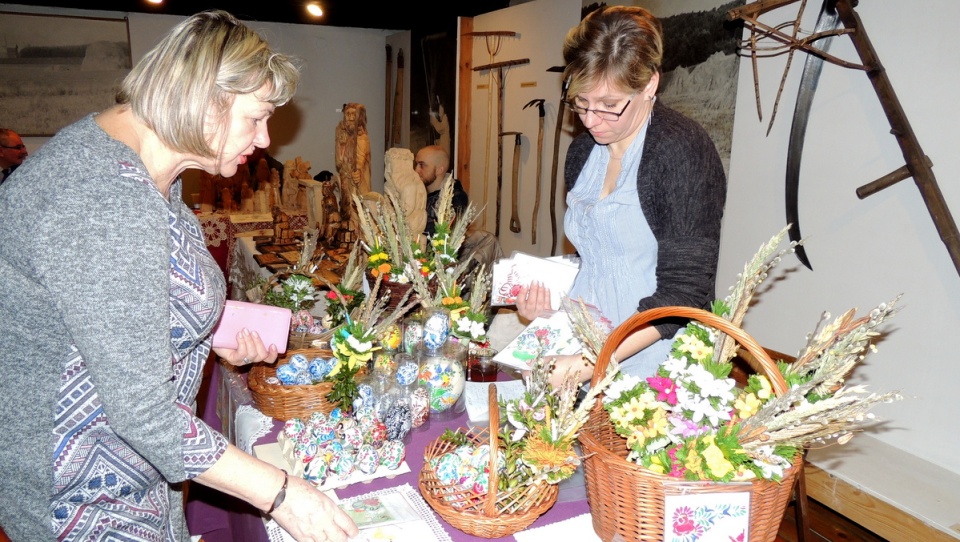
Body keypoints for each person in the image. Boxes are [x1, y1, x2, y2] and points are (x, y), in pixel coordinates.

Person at [0, 11, 358, 542]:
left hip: (136, 474)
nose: (263, 139)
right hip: (82, 495)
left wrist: (209, 334)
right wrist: (281, 494)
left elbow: (112, 307)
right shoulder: (102, 198)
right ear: (204, 99)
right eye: (256, 117)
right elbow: (143, 414)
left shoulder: (145, 169)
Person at [516, 6, 727, 385]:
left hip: (651, 365)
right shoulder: (583, 153)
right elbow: (600, 258)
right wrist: (551, 307)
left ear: (649, 85)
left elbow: (686, 294)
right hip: (584, 345)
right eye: (581, 104)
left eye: (610, 106)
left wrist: (589, 362)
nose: (592, 120)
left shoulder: (679, 151)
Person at [414, 144, 468, 236]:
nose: (416, 170)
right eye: (416, 164)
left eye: (422, 165)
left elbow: (441, 234)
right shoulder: (416, 191)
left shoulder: (455, 197)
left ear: (439, 170)